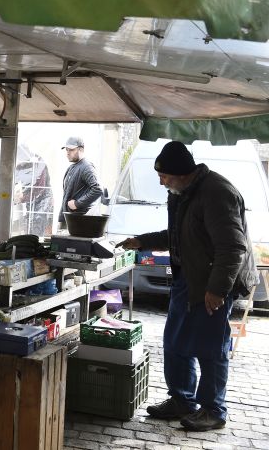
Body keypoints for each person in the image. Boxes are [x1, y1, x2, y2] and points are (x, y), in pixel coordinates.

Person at [117, 141, 258, 432]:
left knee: (210, 347)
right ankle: (181, 399)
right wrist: (142, 241)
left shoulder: (217, 193)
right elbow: (180, 234)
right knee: (175, 341)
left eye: (165, 176)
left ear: (181, 173)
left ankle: (213, 410)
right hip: (188, 278)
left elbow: (233, 247)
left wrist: (217, 290)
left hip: (214, 282)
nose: (161, 181)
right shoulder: (182, 192)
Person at [58, 136, 102, 229]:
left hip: (79, 221)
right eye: (66, 150)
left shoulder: (87, 167)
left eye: (71, 150)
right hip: (69, 219)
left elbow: (97, 190)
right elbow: (66, 196)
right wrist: (61, 220)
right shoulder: (71, 168)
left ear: (81, 149)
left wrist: (78, 204)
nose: (68, 153)